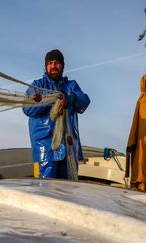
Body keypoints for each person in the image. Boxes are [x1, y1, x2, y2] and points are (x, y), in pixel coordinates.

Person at [23, 49, 90, 179]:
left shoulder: (71, 85)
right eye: (50, 63)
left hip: (68, 143)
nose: (53, 66)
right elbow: (27, 108)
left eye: (57, 63)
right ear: (46, 66)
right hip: (44, 144)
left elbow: (85, 101)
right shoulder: (37, 86)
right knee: (43, 183)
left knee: (68, 184)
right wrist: (51, 101)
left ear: (62, 66)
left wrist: (72, 98)